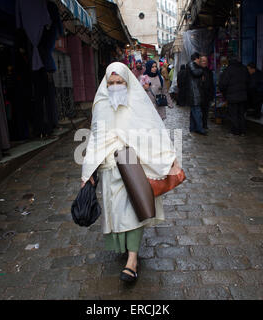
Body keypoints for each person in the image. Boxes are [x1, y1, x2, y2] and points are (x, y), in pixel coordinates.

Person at [81, 62, 180, 282]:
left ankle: (132, 261)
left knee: (133, 211)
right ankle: (127, 250)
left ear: (128, 82)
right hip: (108, 167)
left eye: (120, 82)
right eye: (112, 83)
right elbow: (95, 137)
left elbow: (153, 129)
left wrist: (168, 157)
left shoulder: (138, 103)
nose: (116, 87)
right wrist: (87, 171)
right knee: (116, 213)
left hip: (133, 165)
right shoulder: (100, 104)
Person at [219, 58, 250, 136]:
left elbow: (223, 84)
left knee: (233, 114)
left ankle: (235, 131)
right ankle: (242, 131)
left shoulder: (228, 70)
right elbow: (249, 81)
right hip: (243, 96)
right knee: (241, 114)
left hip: (232, 97)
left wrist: (224, 93)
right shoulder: (244, 68)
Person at [186, 52, 206, 135]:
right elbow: (195, 73)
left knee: (194, 111)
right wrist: (202, 70)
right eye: (199, 59)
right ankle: (199, 129)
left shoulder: (192, 65)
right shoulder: (191, 64)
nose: (200, 61)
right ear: (196, 59)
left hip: (194, 93)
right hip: (194, 93)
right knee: (197, 112)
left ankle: (193, 128)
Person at [200, 55, 215, 131]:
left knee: (206, 111)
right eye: (203, 61)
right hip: (200, 95)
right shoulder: (198, 71)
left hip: (207, 95)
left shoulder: (209, 72)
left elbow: (211, 84)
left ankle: (204, 124)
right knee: (200, 111)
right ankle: (199, 125)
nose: (204, 62)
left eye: (205, 61)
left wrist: (212, 95)